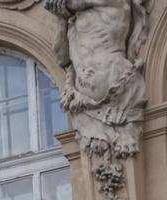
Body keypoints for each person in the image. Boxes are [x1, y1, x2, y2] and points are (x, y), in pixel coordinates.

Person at [45, 0, 147, 158]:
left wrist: (61, 5)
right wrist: (62, 20)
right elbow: (61, 57)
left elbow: (73, 3)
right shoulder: (75, 19)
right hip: (83, 104)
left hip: (117, 90)